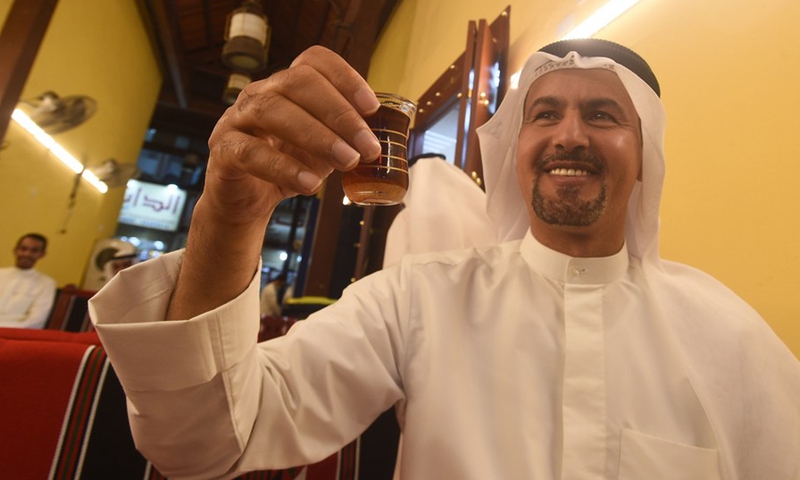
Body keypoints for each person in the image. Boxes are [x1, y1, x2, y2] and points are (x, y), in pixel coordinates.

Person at [89, 39, 800, 479]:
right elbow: (203, 442)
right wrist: (231, 212)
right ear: (513, 151)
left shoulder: (727, 334)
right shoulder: (418, 299)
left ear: (646, 156)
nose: (568, 136)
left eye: (604, 115)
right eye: (544, 114)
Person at [0, 233, 57, 329]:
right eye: (23, 249)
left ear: (42, 254)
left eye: (34, 251)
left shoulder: (46, 284)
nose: (27, 254)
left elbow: (36, 322)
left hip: (14, 334)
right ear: (15, 250)